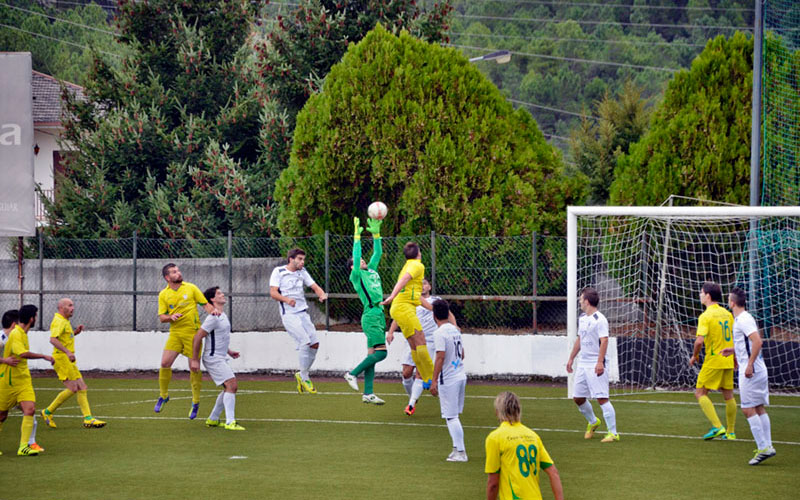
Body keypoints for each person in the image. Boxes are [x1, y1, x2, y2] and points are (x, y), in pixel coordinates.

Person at [156, 263, 219, 418]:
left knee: (194, 368)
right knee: (164, 363)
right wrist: (170, 317)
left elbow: (205, 305)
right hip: (175, 333)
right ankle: (164, 396)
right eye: (174, 272)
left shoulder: (191, 288)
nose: (178, 273)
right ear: (167, 277)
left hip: (193, 334)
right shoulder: (163, 294)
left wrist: (214, 312)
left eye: (178, 271)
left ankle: (195, 402)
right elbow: (162, 317)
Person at [388, 278, 456, 415]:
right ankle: (413, 397)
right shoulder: (410, 300)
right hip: (412, 339)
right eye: (420, 284)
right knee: (406, 373)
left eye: (424, 284)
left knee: (420, 372)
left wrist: (454, 326)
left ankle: (411, 404)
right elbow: (398, 316)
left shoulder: (436, 300)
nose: (422, 286)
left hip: (429, 341)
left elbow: (448, 313)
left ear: (429, 286)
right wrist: (390, 332)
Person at [723, 287, 775, 464]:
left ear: (732, 302)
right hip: (756, 368)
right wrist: (734, 350)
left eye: (729, 299)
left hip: (751, 370)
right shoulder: (743, 318)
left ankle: (763, 447)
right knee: (758, 407)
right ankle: (767, 445)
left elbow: (757, 341)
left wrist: (750, 364)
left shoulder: (743, 319)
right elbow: (748, 343)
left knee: (747, 409)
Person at [40, 298, 106, 429]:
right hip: (62, 359)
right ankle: (47, 412)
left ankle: (88, 418)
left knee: (82, 387)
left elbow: (64, 338)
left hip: (67, 359)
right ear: (62, 308)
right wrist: (67, 352)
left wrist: (75, 333)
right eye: (70, 305)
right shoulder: (59, 321)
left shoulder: (64, 321)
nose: (73, 308)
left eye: (73, 305)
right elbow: (53, 340)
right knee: (74, 388)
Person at [485, 391, 564, 500]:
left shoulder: (495, 438)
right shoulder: (533, 436)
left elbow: (493, 483)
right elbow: (553, 473)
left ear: (497, 412)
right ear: (518, 410)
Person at [270, 248, 328, 394]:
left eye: (303, 259)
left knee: (314, 344)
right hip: (289, 314)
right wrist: (286, 300)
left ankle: (301, 374)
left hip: (303, 313)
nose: (302, 262)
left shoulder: (302, 272)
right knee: (304, 342)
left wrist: (321, 294)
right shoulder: (279, 271)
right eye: (300, 259)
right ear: (291, 259)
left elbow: (314, 286)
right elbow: (273, 292)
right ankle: (304, 376)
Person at [342, 217, 387, 405]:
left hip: (379, 314)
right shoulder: (357, 275)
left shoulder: (371, 271)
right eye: (359, 260)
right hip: (371, 316)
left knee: (372, 356)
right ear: (352, 267)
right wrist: (357, 237)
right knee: (382, 353)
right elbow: (356, 253)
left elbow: (378, 253)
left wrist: (376, 235)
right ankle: (352, 374)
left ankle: (368, 393)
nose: (363, 260)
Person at [0, 305, 54, 456]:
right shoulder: (16, 334)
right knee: (2, 415)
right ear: (32, 318)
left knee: (30, 409)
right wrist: (44, 356)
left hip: (23, 381)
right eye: (36, 315)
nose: (36, 318)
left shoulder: (23, 334)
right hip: (8, 382)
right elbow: (22, 354)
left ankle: (24, 446)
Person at [566, 287, 619, 443]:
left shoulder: (600, 319)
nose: (580, 302)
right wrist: (571, 358)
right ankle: (593, 421)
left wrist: (599, 362)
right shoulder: (582, 318)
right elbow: (580, 339)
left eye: (581, 299)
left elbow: (604, 340)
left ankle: (613, 433)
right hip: (583, 363)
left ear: (587, 301)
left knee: (602, 398)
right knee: (577, 397)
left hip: (596, 362)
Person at [381, 242, 434, 389]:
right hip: (403, 308)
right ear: (419, 254)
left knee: (414, 345)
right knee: (421, 340)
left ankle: (426, 377)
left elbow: (415, 296)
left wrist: (432, 308)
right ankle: (430, 376)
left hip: (402, 308)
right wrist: (392, 296)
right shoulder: (417, 266)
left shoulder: (408, 265)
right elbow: (403, 280)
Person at [190, 286, 244, 431]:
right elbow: (197, 338)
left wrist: (229, 351)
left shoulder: (222, 315)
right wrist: (195, 360)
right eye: (219, 293)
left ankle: (213, 419)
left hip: (220, 356)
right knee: (232, 385)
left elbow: (219, 338)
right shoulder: (213, 318)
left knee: (229, 387)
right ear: (212, 299)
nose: (223, 295)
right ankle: (230, 422)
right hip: (213, 358)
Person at [689, 281, 737, 440]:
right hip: (728, 360)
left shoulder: (706, 316)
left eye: (701, 292)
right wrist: (735, 359)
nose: (700, 295)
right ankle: (730, 432)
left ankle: (717, 426)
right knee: (729, 395)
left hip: (714, 360)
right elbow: (734, 339)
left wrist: (695, 356)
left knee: (700, 392)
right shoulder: (728, 314)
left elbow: (699, 341)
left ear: (708, 296)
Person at [430, 299, 467, 462]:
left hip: (449, 379)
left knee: (451, 417)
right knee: (453, 415)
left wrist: (433, 380)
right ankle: (456, 448)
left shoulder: (439, 333)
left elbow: (440, 357)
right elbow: (463, 354)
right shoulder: (454, 329)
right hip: (460, 375)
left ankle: (461, 452)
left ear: (434, 315)